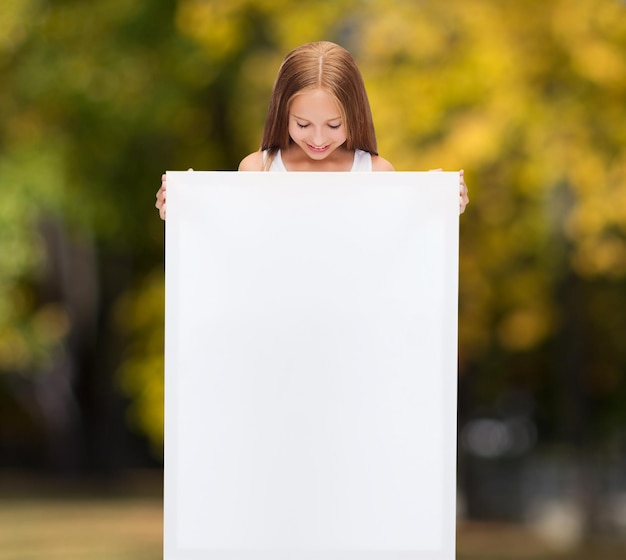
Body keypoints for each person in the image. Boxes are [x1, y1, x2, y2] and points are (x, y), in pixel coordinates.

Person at [155, 41, 469, 219]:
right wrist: (186, 210)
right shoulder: (257, 170)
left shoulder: (375, 173)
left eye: (334, 125)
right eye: (303, 125)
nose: (318, 139)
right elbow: (236, 244)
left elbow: (395, 248)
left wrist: (438, 204)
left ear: (355, 116)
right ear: (282, 114)